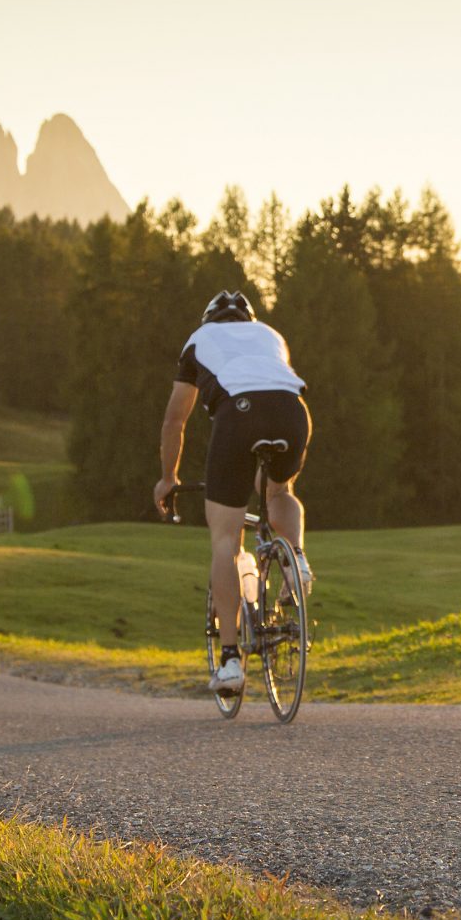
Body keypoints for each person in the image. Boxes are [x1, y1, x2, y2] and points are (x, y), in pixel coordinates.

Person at [153, 290, 312, 696]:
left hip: (239, 415)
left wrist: (168, 477)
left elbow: (175, 420)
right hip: (293, 411)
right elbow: (271, 385)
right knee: (278, 490)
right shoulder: (271, 334)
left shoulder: (198, 340)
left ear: (209, 319)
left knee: (226, 538)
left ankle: (230, 662)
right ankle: (298, 560)